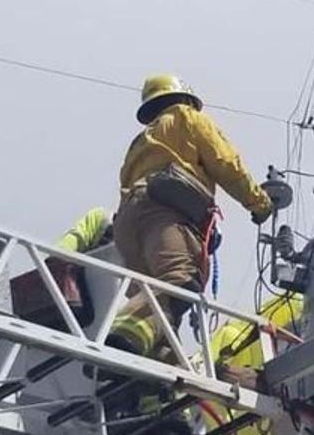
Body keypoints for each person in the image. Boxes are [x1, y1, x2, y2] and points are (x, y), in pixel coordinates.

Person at [109, 74, 273, 359]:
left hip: (128, 223)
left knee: (157, 307)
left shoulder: (142, 141)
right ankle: (120, 339)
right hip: (164, 212)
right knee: (179, 283)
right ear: (185, 98)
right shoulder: (186, 117)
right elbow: (225, 162)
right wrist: (258, 203)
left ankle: (151, 381)